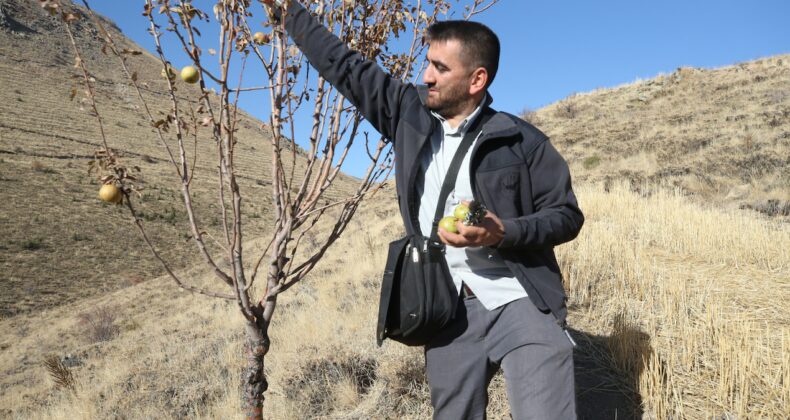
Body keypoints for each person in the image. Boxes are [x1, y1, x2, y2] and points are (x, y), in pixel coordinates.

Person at [263, 1, 584, 418]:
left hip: (518, 299)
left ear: (477, 79)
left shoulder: (522, 141)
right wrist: (288, 13)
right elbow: (342, 66)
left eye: (439, 68)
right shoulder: (407, 114)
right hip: (445, 307)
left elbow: (566, 215)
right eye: (427, 63)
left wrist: (502, 231)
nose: (426, 76)